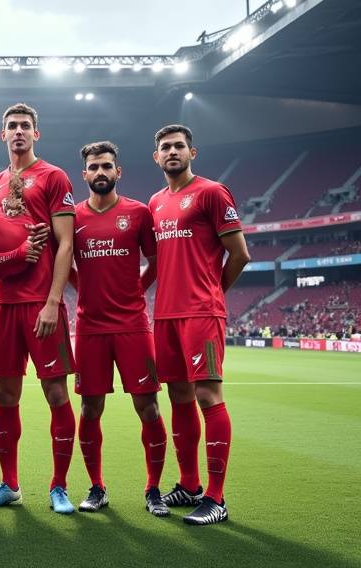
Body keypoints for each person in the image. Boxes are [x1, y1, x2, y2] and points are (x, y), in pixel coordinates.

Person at [148, 124, 250, 525]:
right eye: (165, 147)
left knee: (208, 395)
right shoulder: (156, 202)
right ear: (156, 157)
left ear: (192, 151)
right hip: (165, 315)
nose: (172, 152)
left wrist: (213, 295)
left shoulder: (211, 192)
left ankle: (216, 497)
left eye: (178, 146)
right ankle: (189, 484)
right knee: (179, 397)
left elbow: (239, 254)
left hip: (200, 313)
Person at [0, 103, 79, 514]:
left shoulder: (54, 176)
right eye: (11, 126)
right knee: (6, 394)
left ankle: (58, 486)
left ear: (36, 133)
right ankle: (9, 484)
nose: (18, 131)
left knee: (56, 392)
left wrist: (53, 302)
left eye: (25, 126)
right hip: (6, 302)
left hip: (42, 304)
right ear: (2, 135)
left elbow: (66, 243)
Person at [69, 141, 169, 516]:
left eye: (106, 166)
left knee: (149, 408)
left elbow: (156, 262)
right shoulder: (73, 217)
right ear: (84, 175)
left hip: (132, 325)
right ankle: (96, 487)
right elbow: (66, 264)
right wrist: (86, 292)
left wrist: (134, 292)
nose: (100, 173)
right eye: (93, 167)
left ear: (118, 172)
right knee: (90, 408)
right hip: (90, 326)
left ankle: (153, 489)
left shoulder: (139, 214)